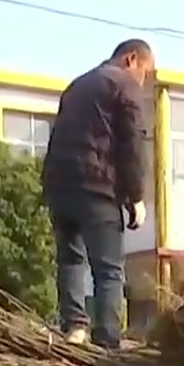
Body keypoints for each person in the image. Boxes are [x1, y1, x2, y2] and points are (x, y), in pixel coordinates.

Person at [40, 39, 154, 348]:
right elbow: (132, 144)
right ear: (131, 59)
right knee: (109, 270)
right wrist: (135, 196)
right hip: (98, 187)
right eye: (145, 72)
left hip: (60, 186)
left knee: (70, 260)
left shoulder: (77, 85)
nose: (143, 81)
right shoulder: (124, 85)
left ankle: (75, 328)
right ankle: (106, 341)